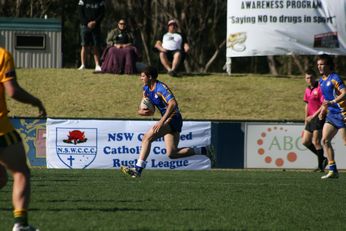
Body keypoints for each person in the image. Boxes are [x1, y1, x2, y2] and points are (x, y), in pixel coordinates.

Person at [120, 66, 203, 177]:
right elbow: (151, 111)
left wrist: (161, 122)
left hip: (173, 118)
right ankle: (204, 150)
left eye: (143, 76)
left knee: (147, 137)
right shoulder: (146, 89)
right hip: (167, 119)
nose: (140, 78)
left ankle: (138, 169)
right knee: (172, 153)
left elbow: (173, 104)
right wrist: (142, 112)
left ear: (150, 77)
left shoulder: (161, 88)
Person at [0, 47, 46, 231]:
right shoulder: (2, 55)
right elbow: (12, 91)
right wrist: (36, 102)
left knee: (1, 178)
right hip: (1, 129)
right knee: (20, 173)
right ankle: (20, 224)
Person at [317, 54, 346, 179]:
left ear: (328, 65)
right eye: (318, 64)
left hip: (343, 113)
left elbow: (345, 93)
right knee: (324, 140)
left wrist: (333, 102)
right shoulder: (321, 80)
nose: (320, 67)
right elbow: (325, 99)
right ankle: (333, 170)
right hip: (332, 114)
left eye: (322, 64)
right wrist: (323, 109)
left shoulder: (335, 78)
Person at [301, 68, 327, 172]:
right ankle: (323, 159)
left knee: (316, 141)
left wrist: (314, 115)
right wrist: (306, 118)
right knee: (305, 142)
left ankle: (321, 165)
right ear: (305, 79)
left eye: (311, 77)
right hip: (310, 119)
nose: (309, 79)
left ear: (315, 77)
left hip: (319, 117)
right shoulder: (307, 90)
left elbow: (323, 104)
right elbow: (307, 105)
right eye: (307, 78)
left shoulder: (320, 88)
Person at [78, 0, 105, 71]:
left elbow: (102, 13)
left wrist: (95, 22)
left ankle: (97, 65)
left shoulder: (100, 1)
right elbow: (80, 13)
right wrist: (87, 23)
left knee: (95, 45)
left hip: (96, 26)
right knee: (84, 45)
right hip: (84, 26)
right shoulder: (82, 1)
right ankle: (83, 64)